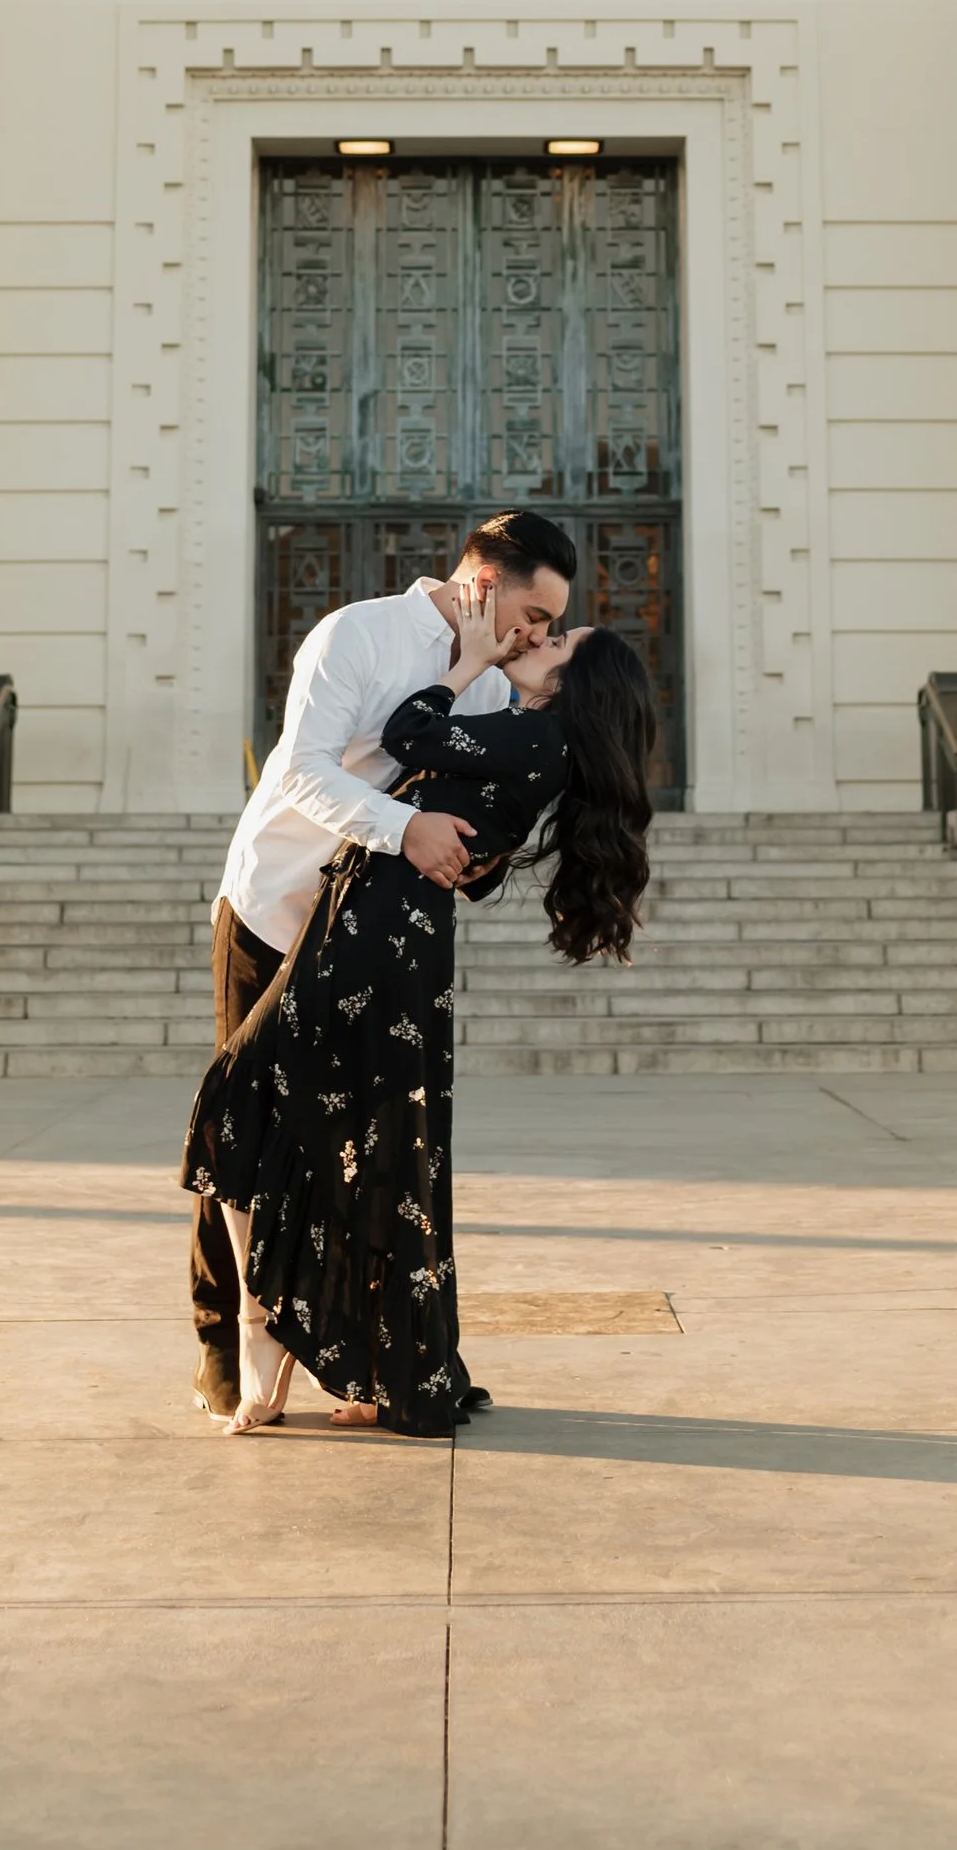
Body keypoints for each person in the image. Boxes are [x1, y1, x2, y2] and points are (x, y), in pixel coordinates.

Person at [182, 604, 656, 1435]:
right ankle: (369, 1366)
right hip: (375, 923)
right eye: (544, 625)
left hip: (379, 933)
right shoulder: (528, 736)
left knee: (240, 1107)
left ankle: (272, 1340)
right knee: (371, 1145)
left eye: (557, 642)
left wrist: (467, 661)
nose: (538, 639)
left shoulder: (539, 738)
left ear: (573, 686)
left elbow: (409, 729)